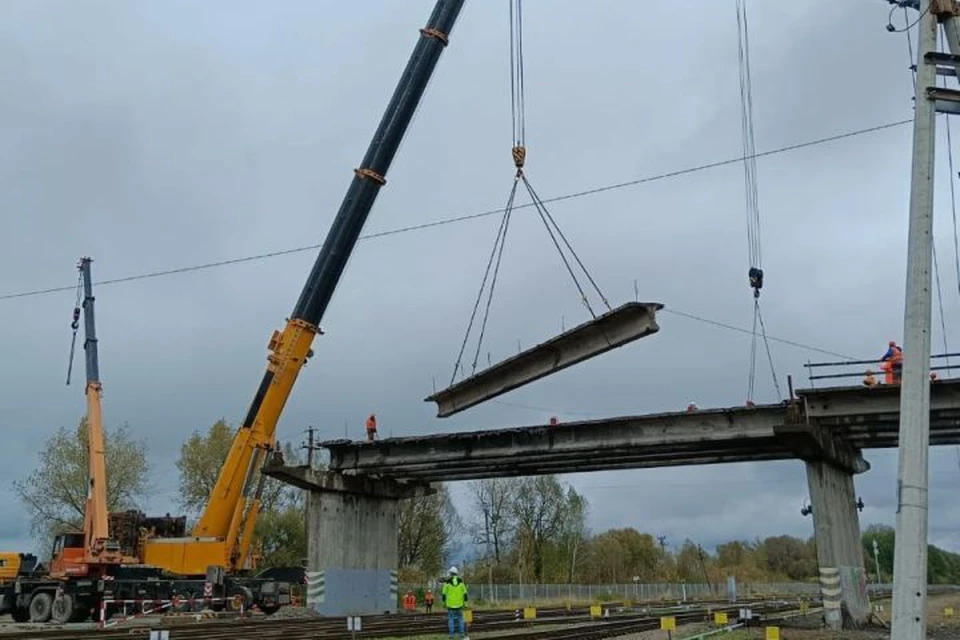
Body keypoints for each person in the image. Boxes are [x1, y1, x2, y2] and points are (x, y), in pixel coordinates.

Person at [441, 566, 469, 640]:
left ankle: (451, 636)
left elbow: (443, 593)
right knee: (461, 619)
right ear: (456, 573)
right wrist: (466, 603)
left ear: (450, 573)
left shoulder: (447, 582)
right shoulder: (461, 581)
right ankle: (462, 635)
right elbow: (465, 593)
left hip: (450, 605)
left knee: (451, 619)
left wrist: (444, 603)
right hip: (460, 604)